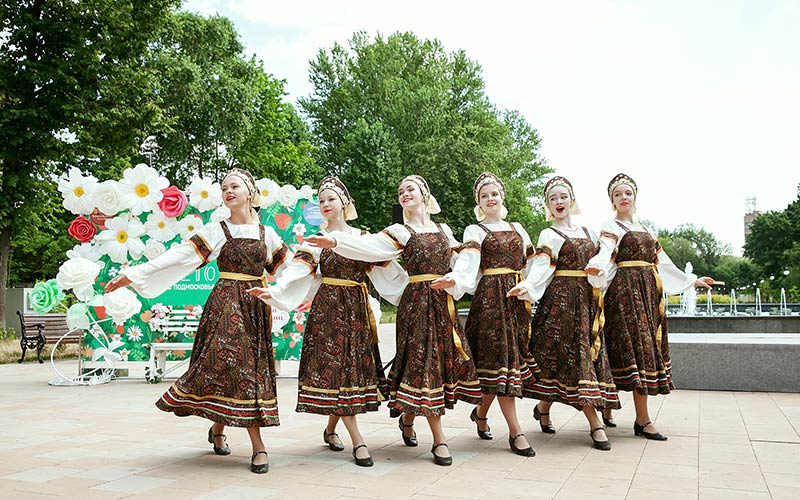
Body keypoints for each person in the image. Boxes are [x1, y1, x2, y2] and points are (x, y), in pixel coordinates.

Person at [105, 168, 288, 474]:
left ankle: (218, 429)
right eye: (224, 188)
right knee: (237, 366)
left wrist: (306, 288)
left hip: (256, 305)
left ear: (250, 192)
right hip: (226, 303)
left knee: (244, 368)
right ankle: (258, 447)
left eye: (234, 186)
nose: (227, 191)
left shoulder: (267, 234)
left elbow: (285, 271)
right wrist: (134, 274)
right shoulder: (217, 230)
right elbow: (178, 256)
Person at [306, 175, 481, 466]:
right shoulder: (399, 230)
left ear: (425, 193)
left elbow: (463, 255)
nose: (404, 194)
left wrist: (457, 276)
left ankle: (407, 419)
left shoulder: (443, 229)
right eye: (400, 192)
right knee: (421, 365)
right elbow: (370, 247)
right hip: (415, 305)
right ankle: (439, 440)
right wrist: (335, 241)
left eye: (410, 189)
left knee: (432, 365)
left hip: (441, 302)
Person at [246, 176, 407, 467]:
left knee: (350, 375)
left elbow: (389, 270)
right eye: (320, 201)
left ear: (345, 203)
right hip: (329, 311)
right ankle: (358, 440)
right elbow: (297, 270)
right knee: (338, 373)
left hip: (356, 310)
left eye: (330, 199)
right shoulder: (316, 240)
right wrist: (276, 291)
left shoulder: (362, 237)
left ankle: (332, 428)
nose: (324, 205)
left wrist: (413, 291)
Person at [585, 173, 715, 441]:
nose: (623, 198)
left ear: (635, 198)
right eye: (618, 194)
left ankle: (633, 417)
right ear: (612, 201)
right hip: (623, 295)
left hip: (647, 295)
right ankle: (637, 419)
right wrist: (597, 265)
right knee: (626, 348)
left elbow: (663, 263)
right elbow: (605, 250)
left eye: (627, 193)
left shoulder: (646, 230)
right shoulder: (611, 226)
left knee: (639, 349)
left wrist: (692, 280)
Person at [508, 176, 620, 450]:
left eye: (562, 197)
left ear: (572, 200)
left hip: (586, 301)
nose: (559, 202)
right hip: (560, 302)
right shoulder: (549, 234)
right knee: (570, 357)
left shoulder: (589, 232)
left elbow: (604, 260)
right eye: (552, 199)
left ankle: (543, 408)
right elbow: (543, 266)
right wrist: (528, 285)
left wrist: (600, 273)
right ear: (548, 205)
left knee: (570, 360)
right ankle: (596, 424)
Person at [455, 172, 536, 456]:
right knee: (503, 364)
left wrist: (529, 286)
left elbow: (531, 264)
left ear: (502, 196)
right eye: (484, 195)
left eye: (494, 193)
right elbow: (468, 263)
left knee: (500, 367)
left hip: (516, 301)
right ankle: (516, 432)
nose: (490, 198)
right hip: (491, 301)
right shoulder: (474, 231)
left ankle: (480, 414)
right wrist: (455, 281)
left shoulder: (517, 227)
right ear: (478, 202)